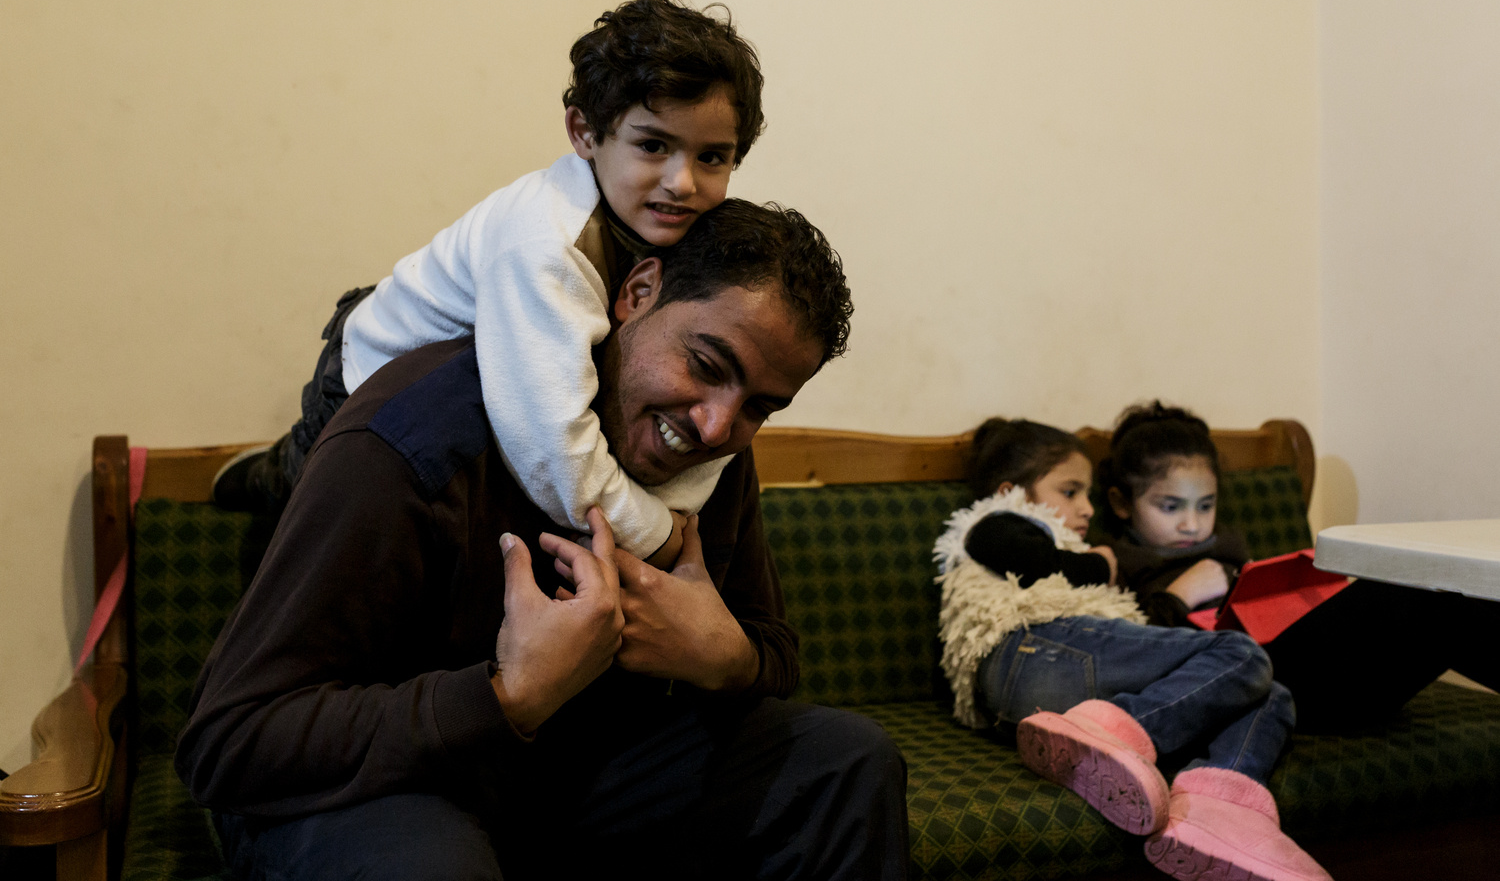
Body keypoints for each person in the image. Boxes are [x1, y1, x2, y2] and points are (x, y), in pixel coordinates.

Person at [176, 200, 908, 881]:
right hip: (380, 787)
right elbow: (231, 742)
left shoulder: (708, 456)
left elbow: (771, 652)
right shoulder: (414, 441)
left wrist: (727, 657)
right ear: (638, 292)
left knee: (847, 766)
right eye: (708, 366)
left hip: (564, 784)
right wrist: (509, 694)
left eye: (759, 407)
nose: (717, 427)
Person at [213, 0, 766, 569]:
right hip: (373, 372)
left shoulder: (678, 226)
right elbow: (552, 449)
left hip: (480, 386)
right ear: (584, 133)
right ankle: (269, 475)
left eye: (712, 158)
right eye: (653, 145)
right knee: (312, 514)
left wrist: (668, 512)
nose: (682, 181)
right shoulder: (547, 246)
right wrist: (656, 533)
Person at [934, 417, 1328, 881]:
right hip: (1032, 650)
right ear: (1008, 492)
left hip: (1043, 694)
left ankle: (1216, 812)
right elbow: (1030, 559)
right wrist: (1100, 564)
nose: (1086, 509)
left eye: (1087, 494)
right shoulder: (996, 524)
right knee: (1240, 655)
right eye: (1070, 492)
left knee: (1272, 692)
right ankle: (1117, 736)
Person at [1098, 401, 1500, 734]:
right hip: (1254, 686)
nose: (1191, 524)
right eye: (1170, 507)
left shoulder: (1230, 548)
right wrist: (1176, 597)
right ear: (1121, 503)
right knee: (1402, 590)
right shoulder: (1116, 566)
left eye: (1205, 505)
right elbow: (1121, 659)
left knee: (1441, 599)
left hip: (1328, 680)